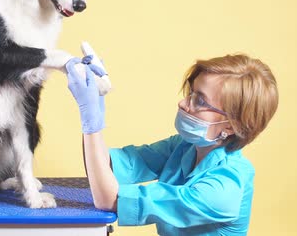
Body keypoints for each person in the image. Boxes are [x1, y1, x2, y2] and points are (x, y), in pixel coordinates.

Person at [65, 54, 279, 236]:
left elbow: (109, 200)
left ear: (233, 125)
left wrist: (91, 123)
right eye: (191, 94)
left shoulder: (223, 188)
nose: (183, 103)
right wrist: (96, 106)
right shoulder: (184, 147)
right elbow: (107, 166)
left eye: (200, 101)